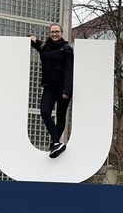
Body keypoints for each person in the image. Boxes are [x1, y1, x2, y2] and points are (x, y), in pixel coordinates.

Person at [30, 23, 74, 158]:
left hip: (62, 88)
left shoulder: (67, 49)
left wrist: (67, 90)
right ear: (49, 33)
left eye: (57, 32)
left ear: (61, 33)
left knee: (61, 117)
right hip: (49, 86)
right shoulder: (44, 47)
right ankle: (56, 142)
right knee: (44, 112)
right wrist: (32, 38)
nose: (54, 34)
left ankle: (56, 143)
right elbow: (31, 41)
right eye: (52, 32)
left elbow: (69, 70)